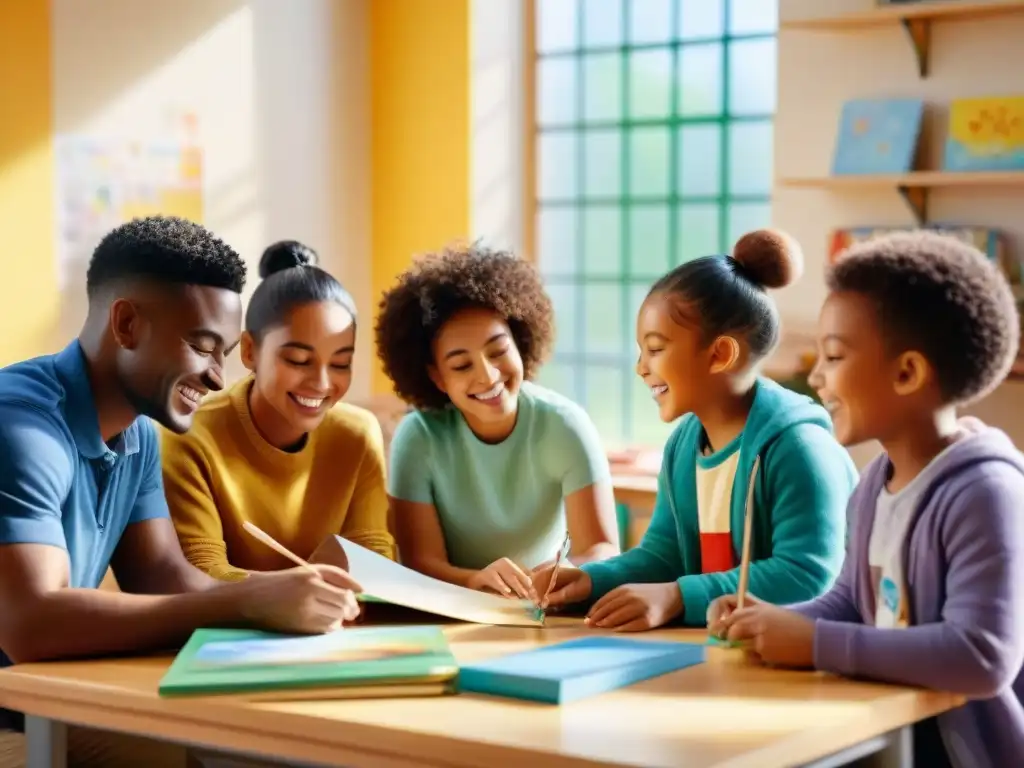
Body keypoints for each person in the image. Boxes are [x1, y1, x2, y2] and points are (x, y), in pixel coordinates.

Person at [0, 217, 361, 706]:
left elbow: (163, 576)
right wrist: (249, 603)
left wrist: (286, 591)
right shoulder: (22, 428)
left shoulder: (140, 434)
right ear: (127, 324)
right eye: (202, 347)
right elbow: (30, 625)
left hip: (43, 699)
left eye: (226, 355)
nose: (217, 378)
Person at [709, 231, 1024, 767]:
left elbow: (982, 656)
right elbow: (856, 603)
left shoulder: (988, 493)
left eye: (833, 355)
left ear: (907, 372)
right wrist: (771, 620)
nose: (815, 375)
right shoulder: (874, 484)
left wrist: (814, 644)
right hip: (890, 742)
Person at [536, 230, 856, 632]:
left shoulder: (800, 448)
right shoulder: (684, 445)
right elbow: (664, 555)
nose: (641, 367)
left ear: (720, 354)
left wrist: (676, 597)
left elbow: (805, 578)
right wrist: (591, 580)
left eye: (655, 349)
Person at [375, 243, 620, 600]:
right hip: (452, 611)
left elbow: (602, 549)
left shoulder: (565, 425)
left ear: (520, 343)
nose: (488, 376)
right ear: (437, 377)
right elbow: (419, 563)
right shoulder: (418, 437)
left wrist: (562, 575)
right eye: (461, 365)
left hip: (547, 609)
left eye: (499, 351)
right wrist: (475, 581)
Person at [161, 240, 395, 581]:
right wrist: (292, 592)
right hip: (227, 628)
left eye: (341, 363)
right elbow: (200, 572)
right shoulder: (190, 434)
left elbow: (373, 557)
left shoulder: (358, 433)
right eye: (298, 360)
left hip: (335, 627)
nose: (321, 382)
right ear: (249, 351)